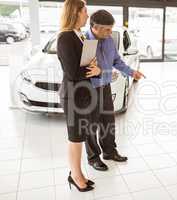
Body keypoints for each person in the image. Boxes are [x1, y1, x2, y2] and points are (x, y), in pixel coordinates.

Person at [84, 10, 145, 171]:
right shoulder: (86, 42)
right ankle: (93, 158)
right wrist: (106, 73)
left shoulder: (109, 40)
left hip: (105, 87)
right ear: (94, 27)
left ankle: (109, 152)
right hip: (90, 89)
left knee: (108, 122)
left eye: (111, 29)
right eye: (107, 29)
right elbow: (88, 72)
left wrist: (131, 72)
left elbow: (117, 61)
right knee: (91, 125)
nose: (110, 33)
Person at [57, 0, 101, 192]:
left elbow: (81, 64)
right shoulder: (65, 37)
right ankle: (75, 176)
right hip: (73, 96)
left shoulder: (79, 34)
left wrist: (94, 65)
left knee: (80, 136)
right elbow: (72, 72)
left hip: (82, 94)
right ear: (75, 13)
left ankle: (78, 173)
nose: (87, 15)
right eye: (85, 11)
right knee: (75, 137)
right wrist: (94, 71)